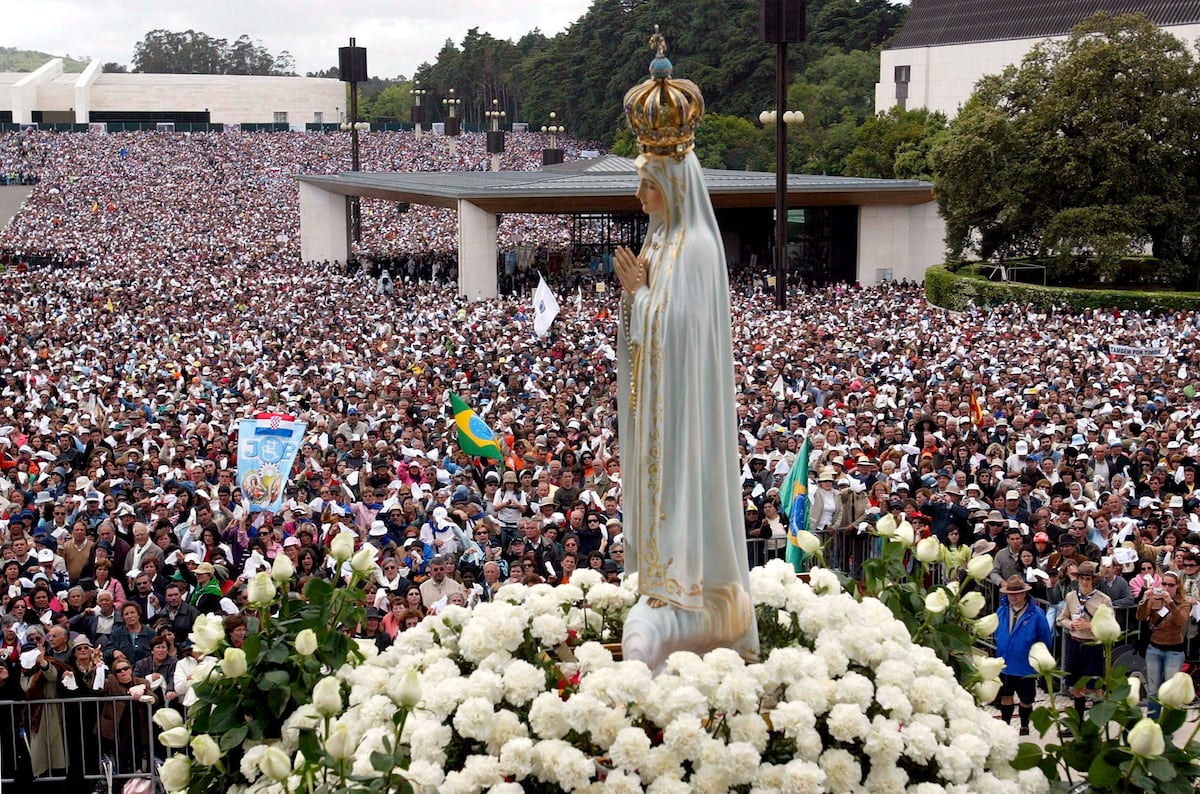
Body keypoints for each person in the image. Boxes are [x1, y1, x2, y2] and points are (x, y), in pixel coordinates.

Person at [612, 31, 758, 672]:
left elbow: (684, 332)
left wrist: (641, 300)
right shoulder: (657, 241)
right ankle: (660, 582)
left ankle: (689, 588)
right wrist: (634, 302)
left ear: (673, 182)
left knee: (682, 491)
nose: (640, 198)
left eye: (647, 186)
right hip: (657, 417)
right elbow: (648, 326)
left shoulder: (695, 248)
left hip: (684, 415)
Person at [992, 574, 1053, 735]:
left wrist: (1040, 659)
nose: (1014, 597)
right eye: (1010, 594)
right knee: (1006, 696)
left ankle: (1024, 726)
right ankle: (1005, 727)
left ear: (1024, 593)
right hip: (1005, 662)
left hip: (1026, 664)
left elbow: (1045, 639)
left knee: (1026, 699)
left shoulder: (1037, 614)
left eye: (1017, 593)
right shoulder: (1002, 610)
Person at [1057, 561, 1113, 719]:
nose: (1085, 582)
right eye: (1082, 578)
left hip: (1093, 645)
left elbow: (1110, 625)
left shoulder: (1103, 600)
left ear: (1093, 580)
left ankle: (1098, 720)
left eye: (1088, 579)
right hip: (1074, 643)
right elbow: (1061, 619)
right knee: (1077, 685)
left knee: (1095, 687)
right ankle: (1078, 721)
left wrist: (1090, 625)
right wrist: (1071, 624)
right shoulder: (1071, 597)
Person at [1138, 570, 1193, 717]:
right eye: (1164, 584)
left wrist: (1170, 603)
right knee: (1153, 689)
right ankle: (1152, 721)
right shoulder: (1155, 599)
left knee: (1170, 690)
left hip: (1174, 651)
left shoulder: (1185, 602)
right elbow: (1141, 616)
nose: (1166, 587)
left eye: (1170, 585)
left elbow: (1180, 621)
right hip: (1154, 648)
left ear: (1177, 587)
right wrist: (1144, 600)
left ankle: (1167, 725)